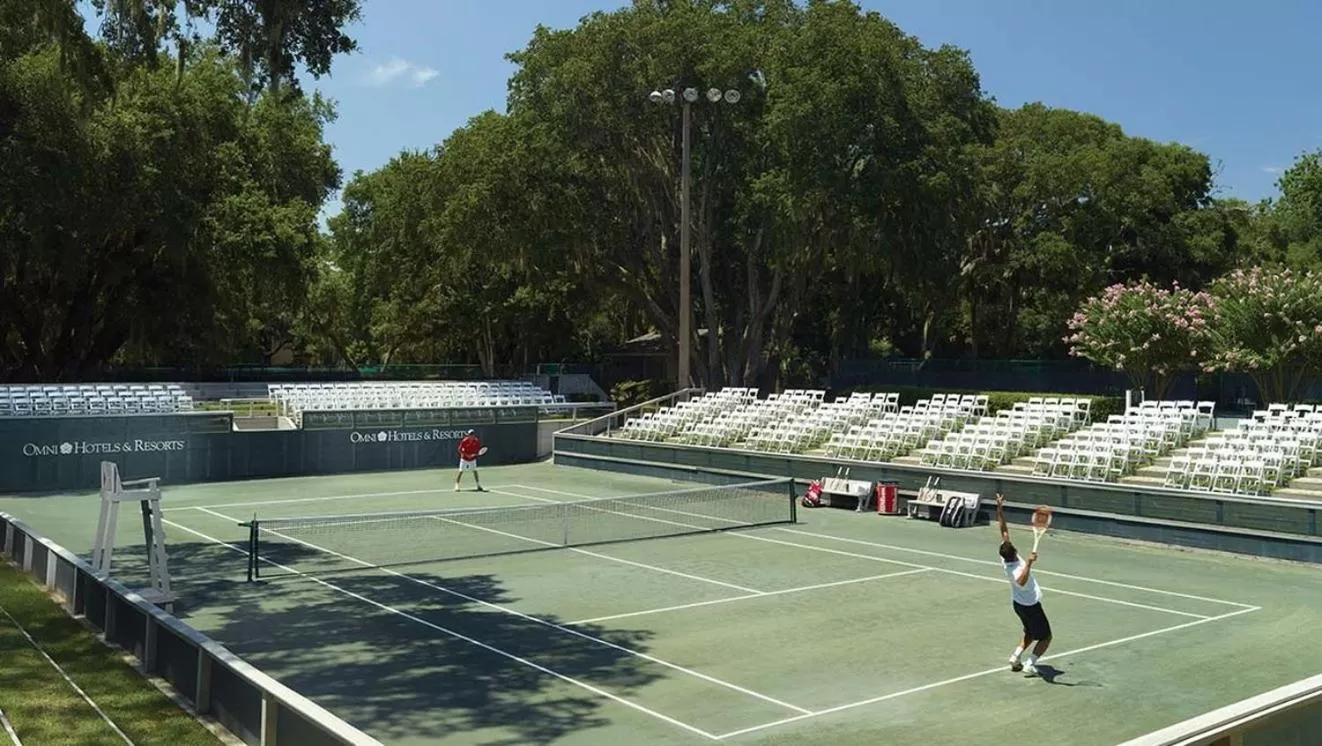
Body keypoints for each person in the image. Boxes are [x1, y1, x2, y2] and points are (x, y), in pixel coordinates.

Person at [996, 493, 1051, 676]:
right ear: (1015, 552)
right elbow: (1021, 581)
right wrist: (1029, 562)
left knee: (1029, 633)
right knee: (1045, 637)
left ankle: (1015, 656)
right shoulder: (1016, 570)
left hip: (1017, 605)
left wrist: (1000, 508)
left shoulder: (1005, 558)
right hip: (1030, 606)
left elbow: (1003, 528)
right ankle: (1030, 663)